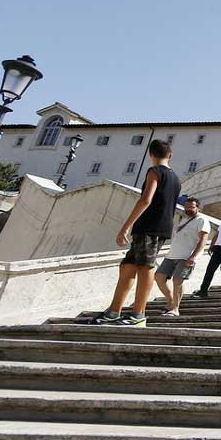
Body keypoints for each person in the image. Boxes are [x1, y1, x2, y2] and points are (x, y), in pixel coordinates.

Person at [86, 139, 181, 326]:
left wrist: (125, 227)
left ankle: (139, 314)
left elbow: (146, 199)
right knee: (127, 267)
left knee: (145, 267)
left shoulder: (154, 171)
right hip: (160, 227)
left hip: (149, 227)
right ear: (170, 155)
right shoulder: (176, 179)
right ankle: (114, 311)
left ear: (151, 154)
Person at [155, 196, 210, 317]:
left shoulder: (202, 220)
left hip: (186, 256)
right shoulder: (184, 220)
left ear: (198, 208)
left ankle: (175, 309)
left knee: (178, 280)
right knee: (159, 277)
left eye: (191, 207)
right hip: (172, 255)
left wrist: (193, 257)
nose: (188, 209)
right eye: (186, 207)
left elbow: (203, 240)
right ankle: (170, 301)